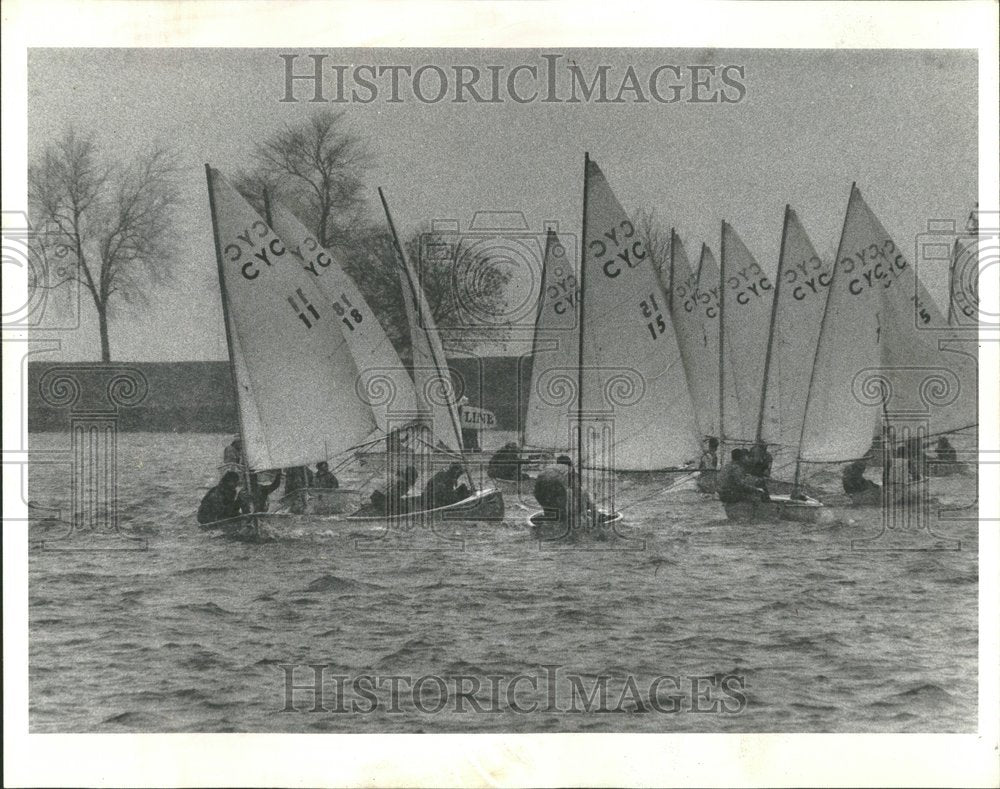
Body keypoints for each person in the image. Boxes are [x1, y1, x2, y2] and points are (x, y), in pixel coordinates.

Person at [533, 455, 595, 522]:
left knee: (549, 510)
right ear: (570, 463)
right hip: (554, 487)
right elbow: (577, 489)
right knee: (562, 514)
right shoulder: (569, 469)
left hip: (538, 491)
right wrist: (586, 506)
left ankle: (546, 518)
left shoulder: (549, 467)